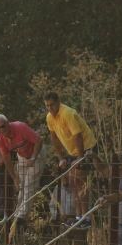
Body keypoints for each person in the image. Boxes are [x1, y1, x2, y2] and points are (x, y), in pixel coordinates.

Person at [44, 92, 98, 229]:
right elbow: (54, 138)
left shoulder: (67, 113)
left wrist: (80, 158)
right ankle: (79, 217)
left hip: (86, 148)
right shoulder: (50, 118)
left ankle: (86, 218)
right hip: (71, 152)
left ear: (58, 102)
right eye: (47, 106)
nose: (50, 108)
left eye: (52, 105)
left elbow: (78, 136)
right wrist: (61, 157)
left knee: (80, 183)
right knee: (73, 184)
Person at [0, 115, 42, 221]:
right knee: (21, 185)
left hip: (36, 153)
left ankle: (22, 216)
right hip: (22, 156)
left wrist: (33, 157)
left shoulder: (20, 127)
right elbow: (6, 159)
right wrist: (14, 177)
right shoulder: (0, 138)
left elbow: (39, 140)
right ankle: (18, 212)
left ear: (8, 123)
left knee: (29, 184)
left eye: (3, 126)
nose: (2, 130)